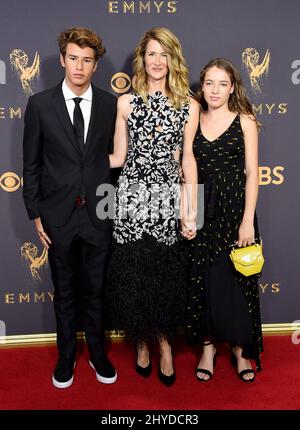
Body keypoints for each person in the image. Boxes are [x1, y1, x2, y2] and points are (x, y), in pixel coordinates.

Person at [23, 27, 117, 388]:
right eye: (73, 58)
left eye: (87, 60)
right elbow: (29, 164)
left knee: (96, 289)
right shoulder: (39, 104)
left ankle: (97, 353)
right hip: (57, 215)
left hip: (99, 213)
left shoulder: (110, 104)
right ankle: (66, 357)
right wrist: (34, 213)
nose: (79, 67)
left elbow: (117, 162)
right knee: (64, 291)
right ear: (62, 60)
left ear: (96, 65)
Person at [107, 27, 199, 386]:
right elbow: (117, 156)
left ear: (173, 59)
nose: (157, 61)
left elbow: (188, 160)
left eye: (164, 54)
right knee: (134, 274)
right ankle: (141, 342)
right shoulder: (125, 103)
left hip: (168, 197)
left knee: (163, 274)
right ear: (141, 59)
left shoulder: (188, 105)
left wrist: (191, 210)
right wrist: (69, 162)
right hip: (131, 195)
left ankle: (165, 345)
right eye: (151, 54)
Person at [186, 58, 263, 382]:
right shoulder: (192, 117)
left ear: (232, 87)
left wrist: (247, 221)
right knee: (202, 282)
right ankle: (208, 348)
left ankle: (241, 351)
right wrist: (188, 212)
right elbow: (184, 168)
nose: (215, 90)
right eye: (209, 83)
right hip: (202, 209)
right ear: (201, 86)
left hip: (235, 212)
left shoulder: (244, 120)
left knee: (239, 282)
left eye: (222, 83)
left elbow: (252, 174)